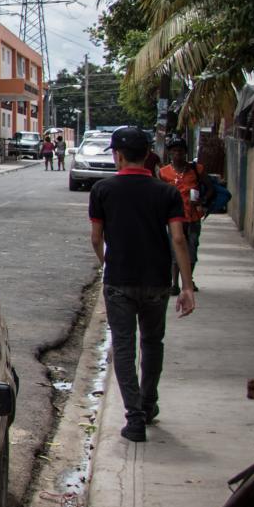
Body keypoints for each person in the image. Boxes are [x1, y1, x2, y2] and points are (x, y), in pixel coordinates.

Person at [88, 127, 197, 441]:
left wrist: (107, 264)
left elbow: (96, 238)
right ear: (148, 155)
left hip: (119, 280)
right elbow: (179, 239)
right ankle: (148, 405)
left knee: (123, 346)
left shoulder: (103, 190)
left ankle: (134, 418)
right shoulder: (166, 192)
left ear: (117, 155)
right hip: (157, 280)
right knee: (152, 343)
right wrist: (187, 287)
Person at [158, 137, 207, 293]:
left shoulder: (197, 170)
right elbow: (160, 194)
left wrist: (201, 202)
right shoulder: (163, 173)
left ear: (185, 152)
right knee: (175, 249)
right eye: (174, 151)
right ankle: (174, 284)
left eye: (180, 151)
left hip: (193, 217)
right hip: (174, 219)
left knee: (192, 249)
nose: (177, 154)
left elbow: (210, 188)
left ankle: (188, 280)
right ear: (169, 153)